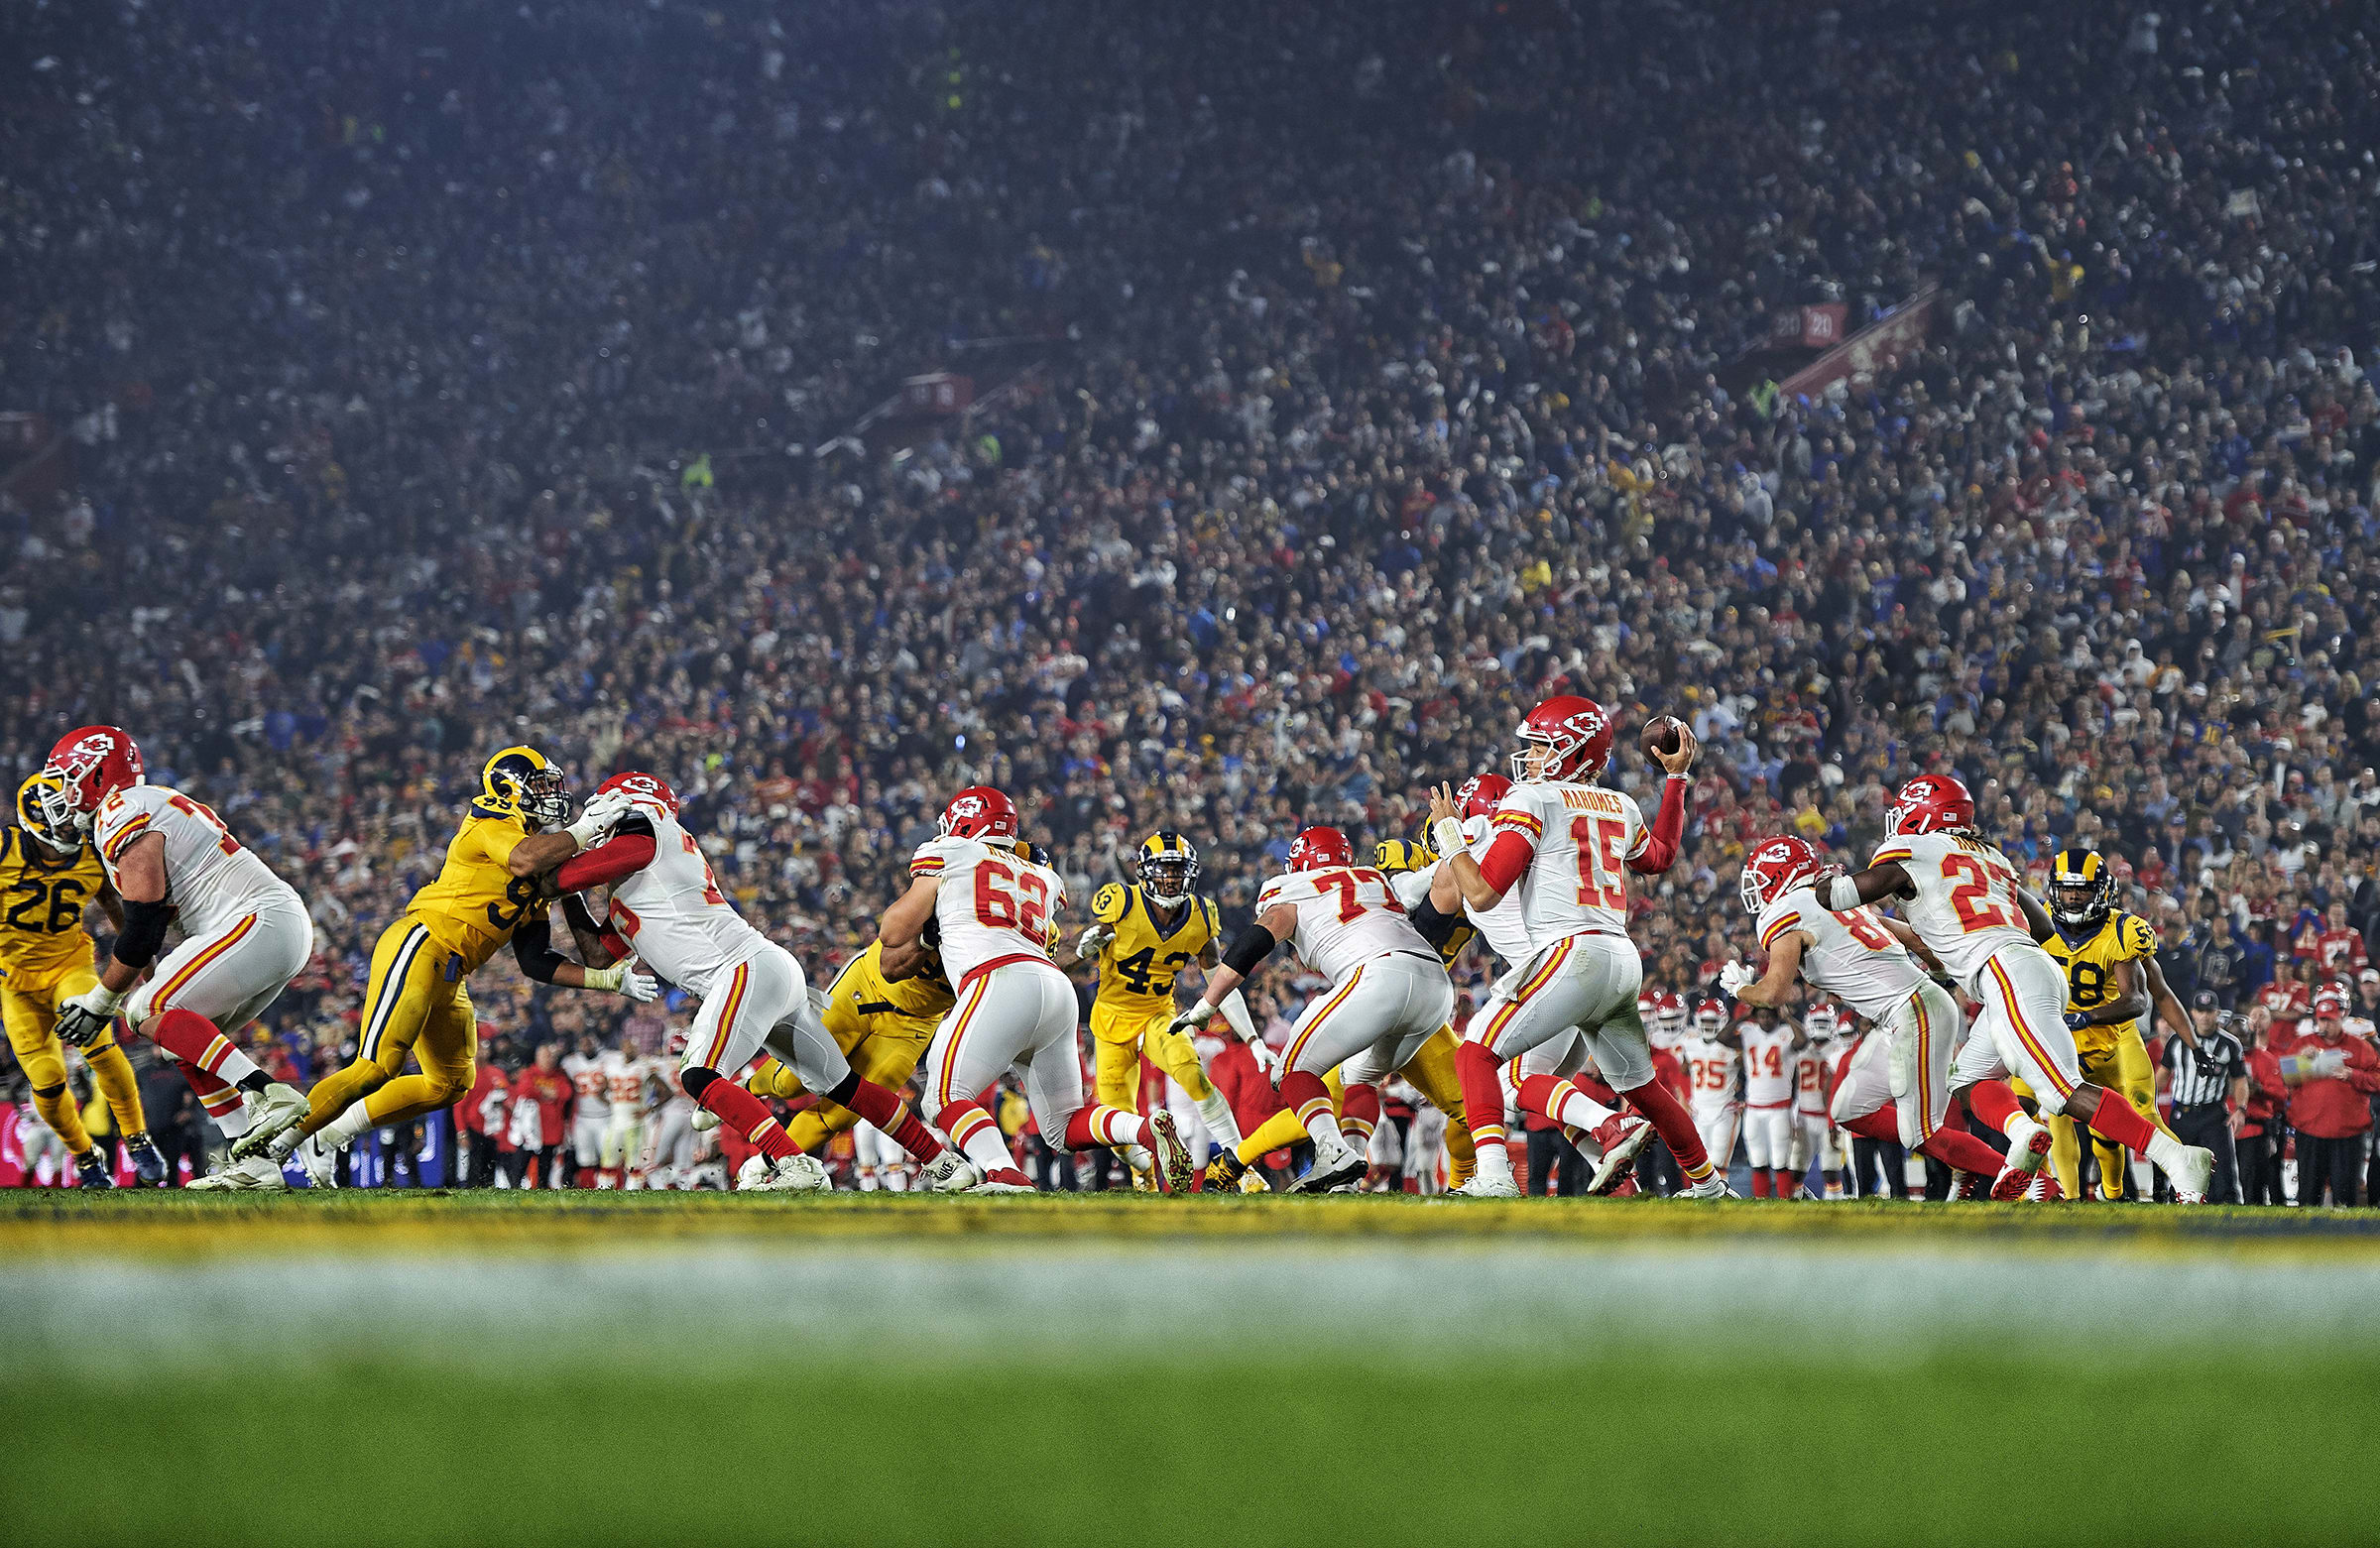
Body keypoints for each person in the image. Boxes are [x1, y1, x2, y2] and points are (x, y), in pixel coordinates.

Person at [553, 772, 972, 1193]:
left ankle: (793, 1164)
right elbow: (598, 955)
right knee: (843, 1085)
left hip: (743, 969)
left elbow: (566, 876)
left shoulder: (649, 833)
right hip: (766, 969)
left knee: (699, 1075)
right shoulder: (635, 877)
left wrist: (562, 851)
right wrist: (566, 895)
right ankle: (943, 1163)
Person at [240, 746, 653, 1171]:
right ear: (511, 789)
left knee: (450, 1083)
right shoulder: (491, 821)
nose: (552, 795)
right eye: (541, 785)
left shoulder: (534, 877)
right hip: (422, 944)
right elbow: (524, 858)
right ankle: (265, 1155)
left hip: (452, 974)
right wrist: (585, 831)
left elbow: (535, 960)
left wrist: (605, 981)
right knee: (377, 1066)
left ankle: (329, 1136)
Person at [1814, 774, 2214, 1202]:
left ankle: (2176, 1156)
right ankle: (2022, 1134)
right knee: (1965, 1081)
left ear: (1924, 814)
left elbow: (1837, 896)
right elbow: (2043, 926)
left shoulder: (1911, 851)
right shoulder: (1990, 856)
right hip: (2020, 967)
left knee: (2062, 1092)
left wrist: (1822, 878)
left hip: (2006, 972)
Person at [1428, 696, 1723, 1198]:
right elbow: (1662, 857)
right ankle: (1708, 1183)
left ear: (1574, 752)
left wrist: (1452, 839)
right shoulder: (1623, 804)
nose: (1533, 758)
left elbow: (1480, 892)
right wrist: (1676, 781)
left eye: (1542, 747)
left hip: (1569, 953)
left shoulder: (1532, 799)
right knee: (1642, 1088)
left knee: (1475, 1055)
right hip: (1620, 956)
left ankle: (1494, 1176)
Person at [40, 726, 315, 1190]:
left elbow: (144, 927)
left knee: (145, 1008)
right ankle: (256, 1162)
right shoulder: (139, 806)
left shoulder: (120, 809)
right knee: (177, 1037)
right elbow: (143, 936)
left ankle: (269, 1092)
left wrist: (100, 1002)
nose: (64, 793)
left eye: (70, 778)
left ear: (97, 774)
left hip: (256, 920)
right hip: (268, 927)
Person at [894, 785, 1188, 1193]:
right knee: (1062, 1127)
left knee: (943, 1098)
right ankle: (1141, 1130)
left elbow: (894, 932)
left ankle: (1004, 1173)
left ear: (961, 822)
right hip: (1054, 988)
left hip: (997, 979)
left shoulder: (951, 852)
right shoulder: (1042, 875)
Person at [1171, 824, 1455, 1193]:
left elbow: (1258, 938)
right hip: (1435, 984)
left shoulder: (1290, 887)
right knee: (1361, 1077)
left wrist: (1208, 1003)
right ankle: (1345, 1179)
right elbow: (1437, 890)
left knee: (1290, 1069)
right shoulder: (1374, 879)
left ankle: (1332, 1150)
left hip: (1377, 973)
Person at [1726, 834, 2008, 1195]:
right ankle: (1969, 1159)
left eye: (1761, 880)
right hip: (1913, 1009)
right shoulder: (1846, 899)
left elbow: (1773, 993)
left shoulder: (1785, 912)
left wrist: (1739, 989)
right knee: (1849, 1109)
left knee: (1921, 1131)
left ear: (1780, 875)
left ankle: (2022, 1175)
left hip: (1912, 1011)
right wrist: (1937, 973)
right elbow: (1919, 943)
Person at [2, 773, 163, 1187]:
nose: (72, 820)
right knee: (47, 1081)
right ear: (36, 818)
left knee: (97, 1041)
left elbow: (114, 903)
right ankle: (85, 1156)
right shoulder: (6, 848)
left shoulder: (93, 852)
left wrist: (145, 961)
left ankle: (137, 1136)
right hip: (14, 981)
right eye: (62, 813)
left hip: (67, 964)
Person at [1067, 831, 1250, 1186]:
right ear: (1145, 871)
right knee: (1116, 1115)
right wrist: (1081, 950)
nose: (1170, 879)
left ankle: (1242, 1167)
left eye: (1177, 870)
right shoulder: (1120, 903)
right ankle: (1143, 1172)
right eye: (1163, 870)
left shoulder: (1200, 913)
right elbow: (1068, 958)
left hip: (1158, 1012)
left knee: (1192, 1075)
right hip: (1110, 1017)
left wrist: (1251, 1035)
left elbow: (1220, 977)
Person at [2031, 848, 2202, 1201]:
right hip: (2059, 1033)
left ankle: (2180, 1179)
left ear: (2102, 891)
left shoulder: (2123, 930)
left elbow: (2152, 997)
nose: (2074, 896)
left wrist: (2194, 1043)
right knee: (2050, 1111)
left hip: (2114, 1032)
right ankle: (2066, 1195)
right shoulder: (2038, 921)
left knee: (2139, 1112)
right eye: (2066, 889)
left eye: (2082, 889)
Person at [2272, 985, 2378, 1206]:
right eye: (2322, 1019)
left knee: (2345, 1198)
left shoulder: (2360, 1047)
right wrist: (2300, 1060)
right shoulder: (2302, 1045)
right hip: (2309, 1131)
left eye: (2330, 1019)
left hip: (2349, 1134)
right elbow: (2285, 1080)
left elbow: (2377, 1079)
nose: (2325, 1025)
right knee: (2309, 1196)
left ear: (2342, 1016)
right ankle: (2306, 1240)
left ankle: (2348, 1240)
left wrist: (2353, 1075)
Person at [2162, 994, 2247, 1205]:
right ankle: (2175, 1204)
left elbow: (2240, 1080)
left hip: (2213, 1114)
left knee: (2223, 1171)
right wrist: (2143, 1101)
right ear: (2192, 1013)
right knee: (2178, 1167)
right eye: (2201, 1011)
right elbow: (2161, 1075)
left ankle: (2227, 1210)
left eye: (2210, 1012)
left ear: (2218, 1013)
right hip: (2182, 1113)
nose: (2205, 1017)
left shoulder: (2230, 1044)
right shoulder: (2176, 1041)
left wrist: (2241, 1109)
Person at [560, 1032, 610, 1187]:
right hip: (583, 1117)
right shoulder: (571, 1062)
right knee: (585, 1157)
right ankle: (588, 1187)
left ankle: (608, 1186)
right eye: (583, 1043)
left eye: (590, 1042)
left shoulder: (609, 1059)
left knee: (608, 1156)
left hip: (606, 1115)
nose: (587, 1046)